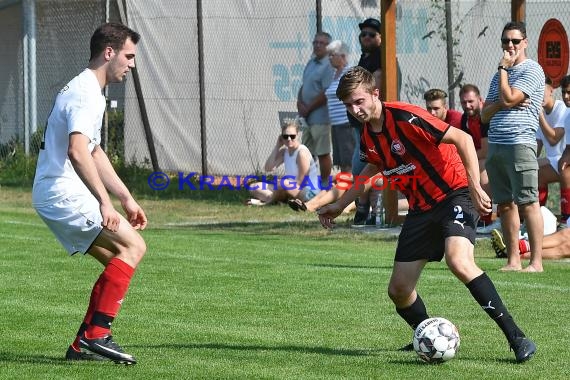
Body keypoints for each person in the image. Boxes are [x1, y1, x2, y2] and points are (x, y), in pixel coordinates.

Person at [318, 66, 536, 363]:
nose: (355, 110)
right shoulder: (369, 135)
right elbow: (373, 166)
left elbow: (463, 139)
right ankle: (426, 333)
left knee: (458, 260)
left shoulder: (406, 117)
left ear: (374, 94)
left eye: (359, 101)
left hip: (454, 193)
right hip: (421, 209)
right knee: (399, 289)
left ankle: (517, 337)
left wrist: (473, 186)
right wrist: (342, 204)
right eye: (348, 105)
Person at [32, 23, 145, 364]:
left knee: (119, 260)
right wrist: (105, 203)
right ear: (108, 53)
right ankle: (97, 335)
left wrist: (125, 197)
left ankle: (83, 345)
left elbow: (94, 152)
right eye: (129, 55)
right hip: (62, 192)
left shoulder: (88, 90)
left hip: (55, 192)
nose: (132, 64)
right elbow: (77, 151)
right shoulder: (84, 93)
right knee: (133, 246)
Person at [481, 21, 545, 273]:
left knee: (528, 202)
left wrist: (503, 73)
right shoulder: (500, 74)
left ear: (525, 43)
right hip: (496, 144)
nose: (510, 46)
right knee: (505, 204)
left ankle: (536, 262)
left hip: (520, 143)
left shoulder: (532, 70)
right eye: (505, 41)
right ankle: (513, 260)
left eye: (515, 41)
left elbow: (509, 98)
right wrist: (501, 103)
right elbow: (485, 115)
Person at [349, 18, 385, 226]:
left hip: (370, 123)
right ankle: (365, 212)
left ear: (380, 37)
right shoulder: (366, 57)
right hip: (360, 125)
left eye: (372, 34)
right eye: (364, 34)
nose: (367, 38)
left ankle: (372, 213)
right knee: (361, 167)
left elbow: (375, 86)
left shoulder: (381, 59)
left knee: (365, 167)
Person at [246, 119, 320, 206]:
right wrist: (277, 146)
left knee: (283, 183)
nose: (289, 139)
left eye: (292, 136)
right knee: (254, 187)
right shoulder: (285, 151)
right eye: (285, 136)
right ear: (281, 137)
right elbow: (268, 168)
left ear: (297, 135)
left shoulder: (301, 152)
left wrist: (283, 185)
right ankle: (279, 200)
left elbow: (301, 182)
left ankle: (267, 202)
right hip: (290, 188)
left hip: (308, 191)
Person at [458, 84, 497, 233]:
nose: (467, 106)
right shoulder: (464, 119)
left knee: (481, 167)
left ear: (480, 100)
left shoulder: (485, 117)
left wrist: (467, 158)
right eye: (463, 102)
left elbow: (486, 151)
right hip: (483, 157)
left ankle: (485, 217)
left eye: (470, 101)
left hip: (497, 156)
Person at [297, 32, 334, 183]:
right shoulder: (311, 62)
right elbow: (304, 85)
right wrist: (299, 102)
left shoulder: (328, 65)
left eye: (322, 43)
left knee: (323, 153)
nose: (317, 45)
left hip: (321, 118)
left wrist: (309, 107)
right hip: (307, 119)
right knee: (306, 153)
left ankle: (325, 184)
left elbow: (326, 92)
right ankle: (308, 184)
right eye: (315, 42)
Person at [536, 76, 568, 215]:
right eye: (535, 92)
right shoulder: (540, 114)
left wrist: (539, 115)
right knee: (525, 170)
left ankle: (565, 217)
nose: (539, 95)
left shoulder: (563, 109)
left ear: (551, 90)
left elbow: (554, 138)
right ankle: (534, 217)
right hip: (555, 160)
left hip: (561, 158)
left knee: (538, 173)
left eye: (541, 91)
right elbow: (536, 148)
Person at [325, 40, 354, 173]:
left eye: (332, 55)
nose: (329, 58)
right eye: (329, 55)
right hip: (335, 124)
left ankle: (352, 192)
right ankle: (344, 191)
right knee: (341, 162)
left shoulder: (349, 73)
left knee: (348, 161)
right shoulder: (332, 74)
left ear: (342, 56)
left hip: (346, 124)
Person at [555, 75, 570, 225]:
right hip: (555, 157)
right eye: (564, 92)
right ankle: (566, 218)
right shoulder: (568, 117)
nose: (566, 96)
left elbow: (554, 138)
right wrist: (563, 159)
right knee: (564, 170)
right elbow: (568, 147)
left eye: (569, 92)